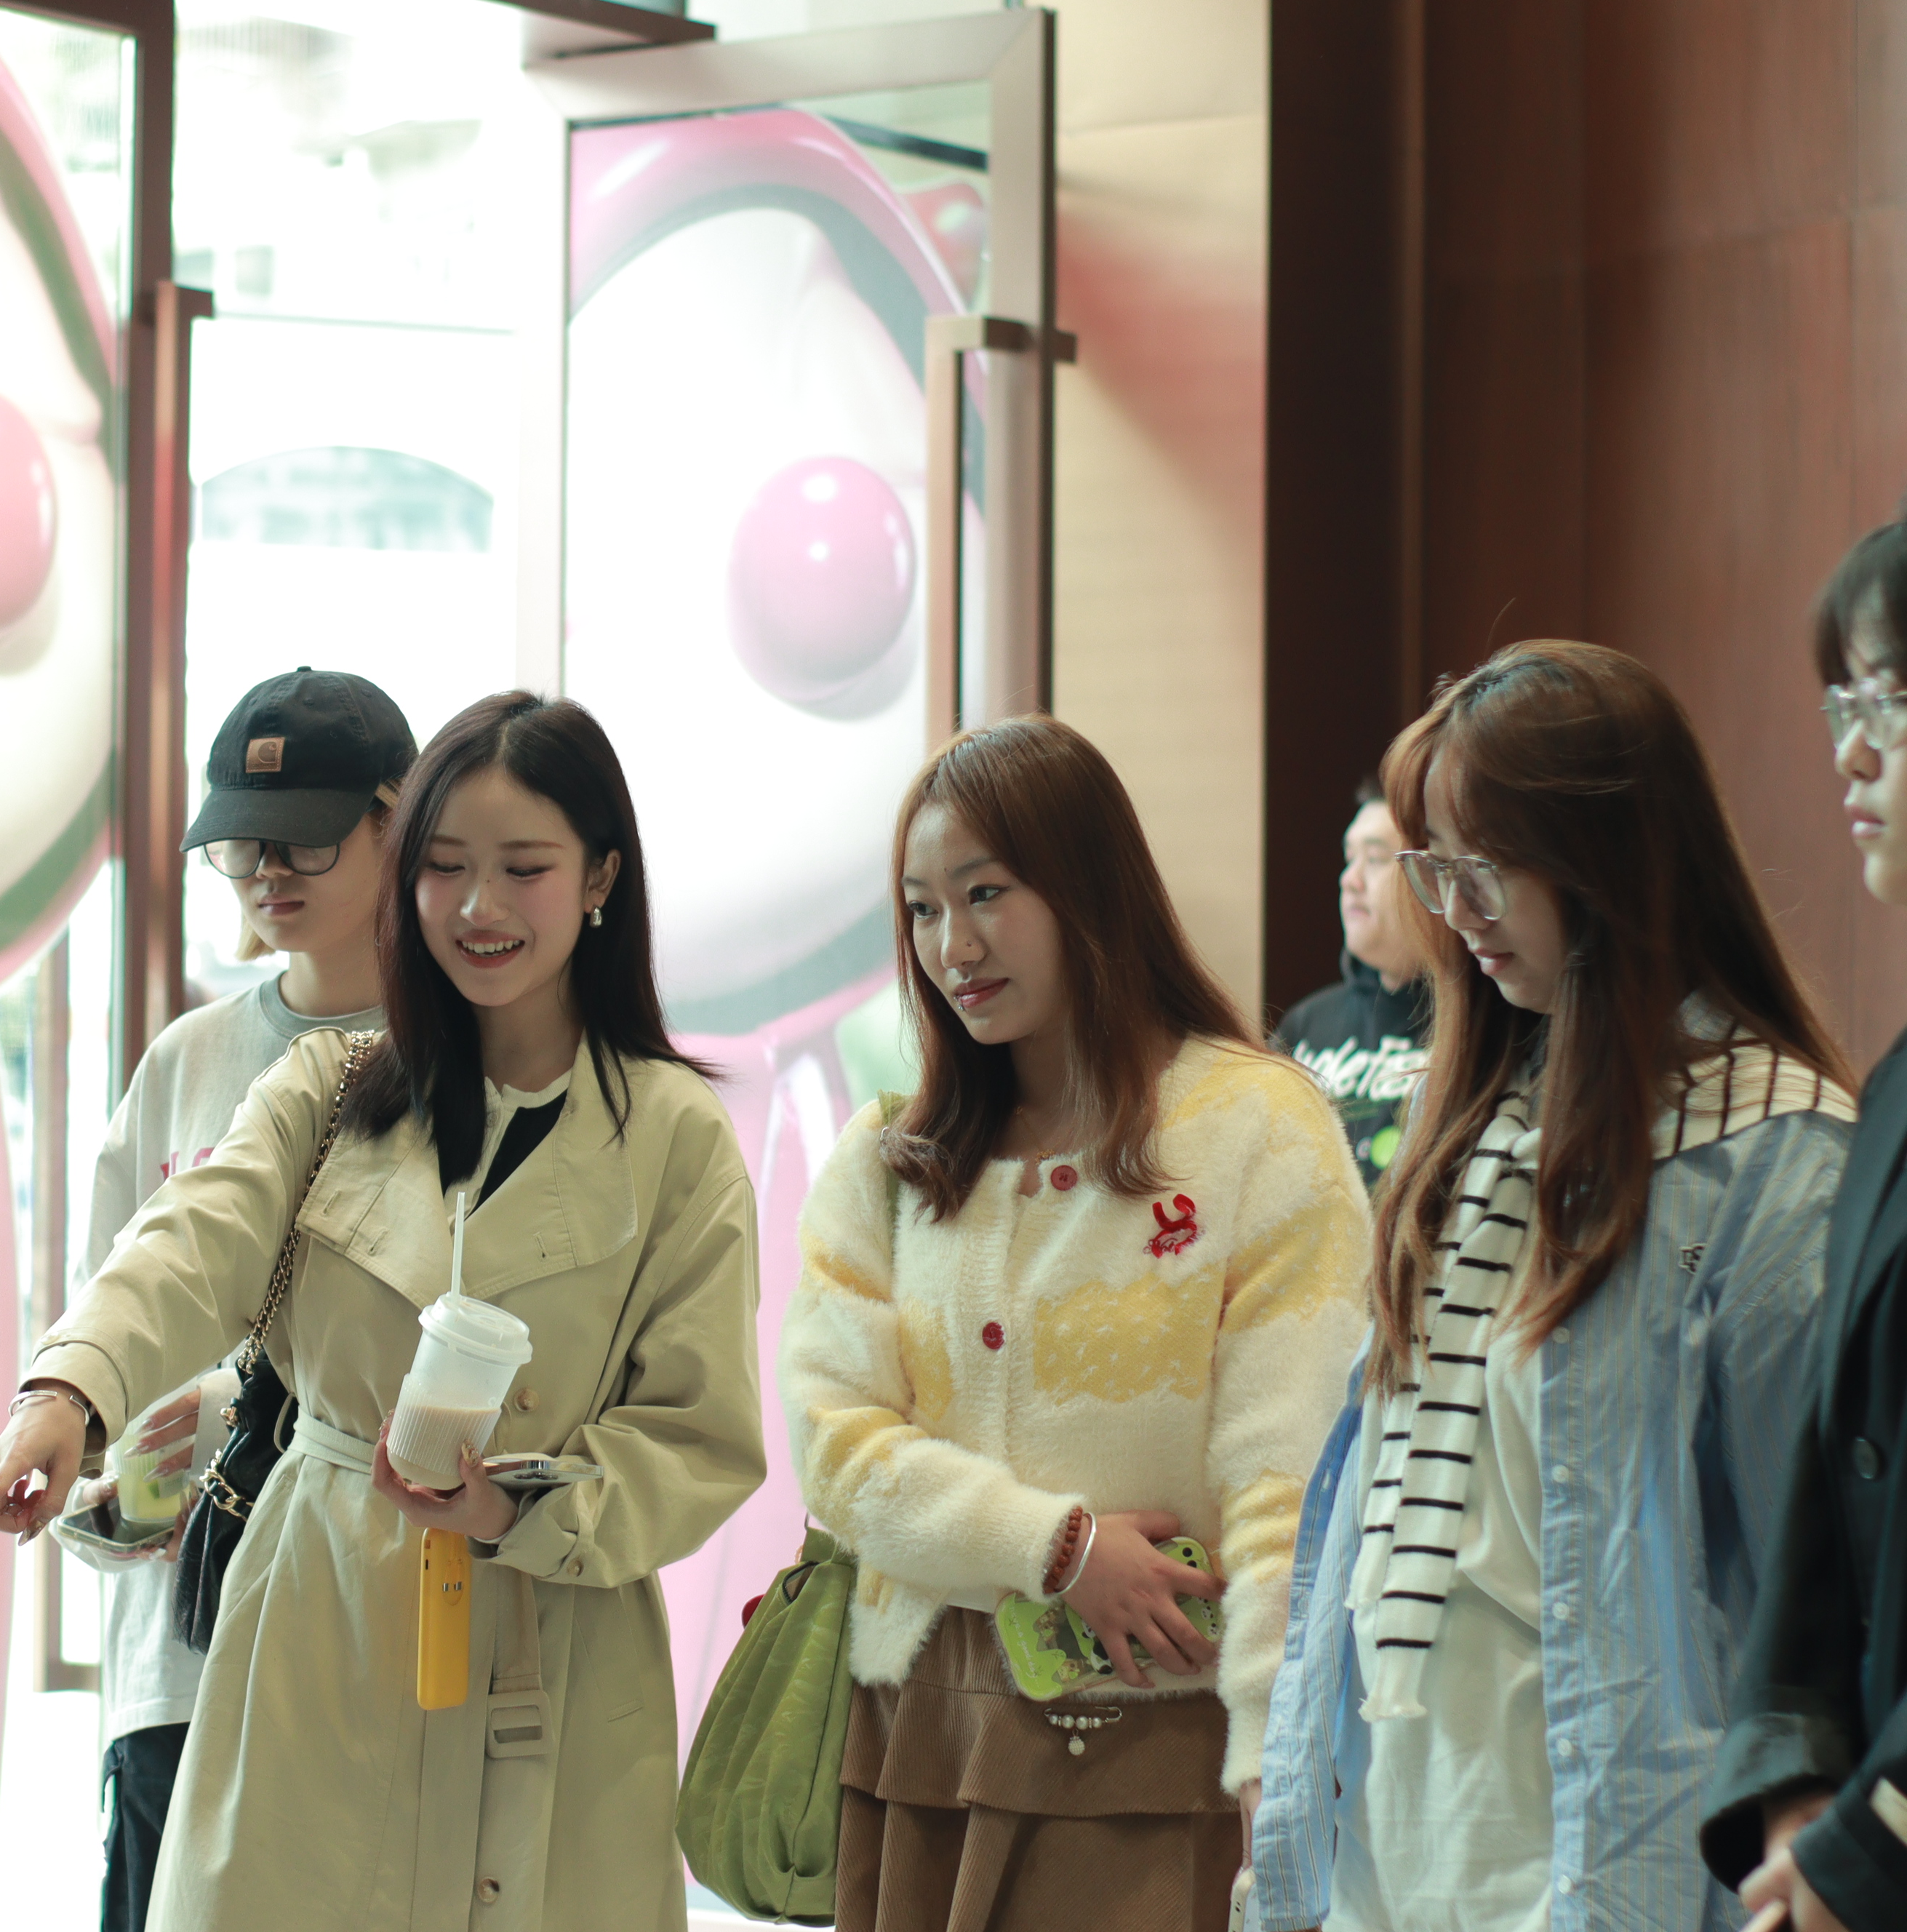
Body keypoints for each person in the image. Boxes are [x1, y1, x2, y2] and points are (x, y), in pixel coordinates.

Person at [0, 692, 765, 1931]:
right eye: (444, 867)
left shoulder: (674, 1136)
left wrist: (517, 1506)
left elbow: (699, 1432)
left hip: (555, 1632)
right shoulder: (330, 1089)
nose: (478, 906)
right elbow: (189, 1243)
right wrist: (68, 1391)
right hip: (322, 1608)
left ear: (601, 876)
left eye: (524, 868)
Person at [1247, 640, 1855, 1932]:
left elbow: (1814, 1590)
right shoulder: (1463, 1131)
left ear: (1607, 855)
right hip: (1380, 1857)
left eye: (1485, 868)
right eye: (1434, 870)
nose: (1455, 911)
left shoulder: (1770, 1151)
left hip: (1601, 1858)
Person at [780, 716, 1370, 1932]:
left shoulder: (1256, 1126)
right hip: (926, 1734)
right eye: (921, 909)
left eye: (985, 892)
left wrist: (1273, 1738)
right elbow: (835, 1445)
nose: (952, 945)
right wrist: (1056, 1548)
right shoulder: (887, 1161)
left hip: (1170, 1743)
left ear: (1089, 886)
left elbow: (1289, 1470)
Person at [61, 668, 413, 1932]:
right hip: (174, 1654)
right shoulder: (188, 1058)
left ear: (397, 820)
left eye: (305, 838)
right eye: (240, 843)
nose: (267, 871)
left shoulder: (457, 1064)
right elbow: (104, 1310)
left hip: (363, 1650)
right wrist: (112, 1483)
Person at [1700, 519, 1907, 1932]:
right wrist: (1795, 1778)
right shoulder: (1889, 1091)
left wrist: (1867, 1841)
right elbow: (1825, 1486)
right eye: (1841, 701)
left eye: (1884, 699)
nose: (1847, 751)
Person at [1272, 776, 1432, 1190]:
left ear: (1434, 876)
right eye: (1349, 858)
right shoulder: (1306, 1023)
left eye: (1375, 859)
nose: (1349, 880)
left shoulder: (1478, 1029)